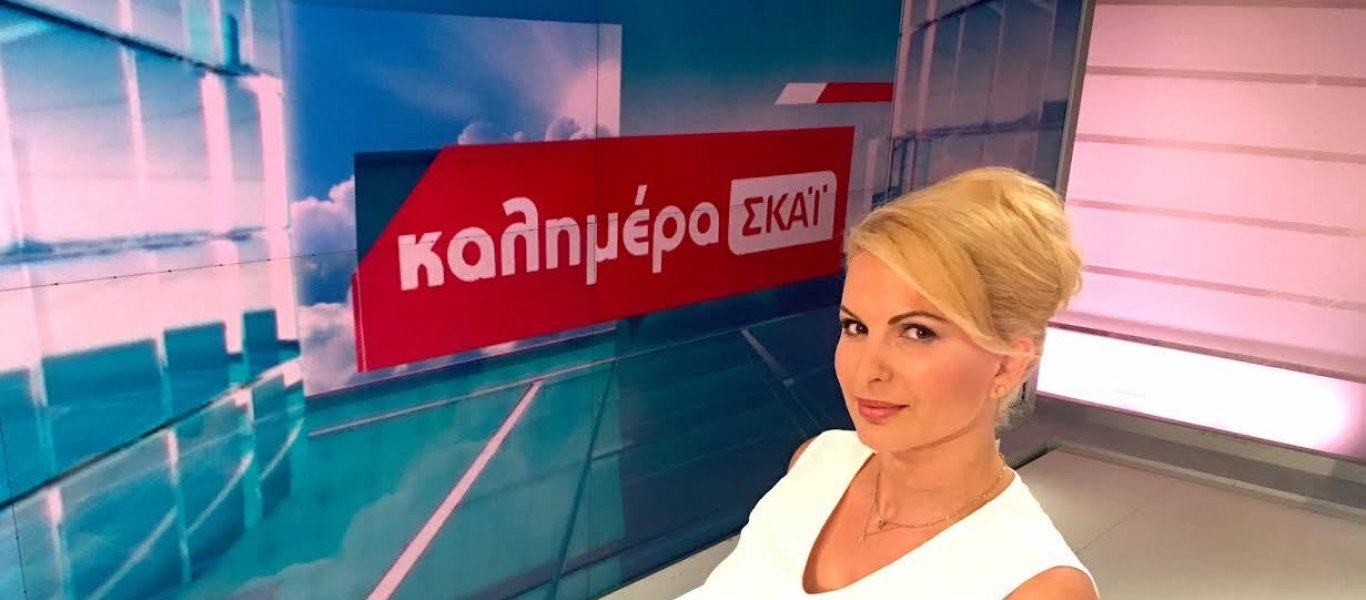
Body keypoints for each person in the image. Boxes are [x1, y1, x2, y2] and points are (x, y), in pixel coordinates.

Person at [680, 168, 1098, 598]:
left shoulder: (1036, 586)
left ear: (1007, 366)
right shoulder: (817, 462)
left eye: (917, 332)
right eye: (856, 327)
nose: (867, 370)